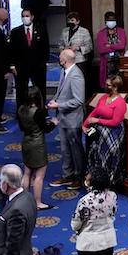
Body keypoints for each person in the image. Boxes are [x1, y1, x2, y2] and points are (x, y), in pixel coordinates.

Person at [47, 49, 87, 191]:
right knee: (65, 149)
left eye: (60, 57)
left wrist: (59, 105)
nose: (59, 59)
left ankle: (79, 177)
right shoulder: (64, 72)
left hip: (73, 119)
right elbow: (61, 91)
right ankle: (68, 175)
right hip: (63, 118)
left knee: (75, 149)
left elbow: (79, 100)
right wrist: (54, 101)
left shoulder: (76, 75)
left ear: (64, 60)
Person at [84, 75, 127, 188]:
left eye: (108, 85)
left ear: (115, 87)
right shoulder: (103, 98)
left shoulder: (120, 103)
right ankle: (95, 180)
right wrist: (85, 125)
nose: (105, 86)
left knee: (110, 155)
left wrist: (97, 120)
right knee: (95, 153)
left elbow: (115, 122)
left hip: (113, 133)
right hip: (100, 132)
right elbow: (95, 112)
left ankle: (108, 182)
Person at [70, 168, 117, 255]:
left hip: (88, 245)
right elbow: (114, 213)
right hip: (108, 242)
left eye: (87, 180)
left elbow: (75, 225)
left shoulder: (85, 201)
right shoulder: (112, 196)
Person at [16, 86, 52, 210]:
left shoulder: (21, 109)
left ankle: (26, 200)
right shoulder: (38, 112)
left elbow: (22, 127)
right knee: (39, 176)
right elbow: (45, 129)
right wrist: (53, 123)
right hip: (37, 145)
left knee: (27, 173)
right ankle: (37, 203)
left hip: (26, 142)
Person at [10, 8, 48, 101]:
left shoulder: (41, 29)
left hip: (38, 66)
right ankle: (21, 109)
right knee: (21, 90)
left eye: (27, 16)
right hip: (21, 66)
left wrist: (44, 63)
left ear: (32, 17)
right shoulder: (15, 32)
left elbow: (45, 48)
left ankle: (41, 108)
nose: (25, 18)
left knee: (40, 89)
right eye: (23, 16)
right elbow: (11, 50)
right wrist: (12, 65)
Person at [59, 11, 94, 91]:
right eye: (69, 20)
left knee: (79, 83)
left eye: (72, 20)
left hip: (79, 60)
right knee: (67, 83)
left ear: (77, 22)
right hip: (66, 61)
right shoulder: (64, 31)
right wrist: (64, 49)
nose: (70, 22)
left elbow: (89, 47)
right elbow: (60, 45)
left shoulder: (84, 31)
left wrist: (78, 48)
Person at [96, 11, 127, 89]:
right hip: (107, 63)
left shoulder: (121, 31)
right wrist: (116, 47)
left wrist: (109, 45)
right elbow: (101, 49)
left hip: (119, 62)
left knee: (120, 84)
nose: (111, 22)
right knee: (108, 85)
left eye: (113, 20)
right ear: (105, 21)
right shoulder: (101, 33)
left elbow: (122, 46)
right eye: (109, 20)